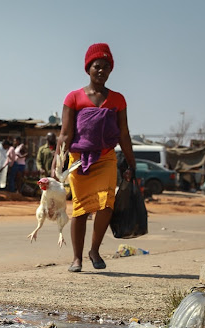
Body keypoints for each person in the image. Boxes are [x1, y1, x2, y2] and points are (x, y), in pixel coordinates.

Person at [55, 43, 135, 272]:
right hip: (79, 160)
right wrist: (57, 161)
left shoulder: (118, 100)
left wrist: (131, 161)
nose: (101, 71)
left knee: (106, 205)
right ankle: (77, 258)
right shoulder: (74, 98)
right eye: (97, 66)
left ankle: (94, 250)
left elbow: (124, 133)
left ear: (111, 70)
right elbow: (65, 134)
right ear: (88, 68)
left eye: (106, 67)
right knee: (80, 210)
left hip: (107, 157)